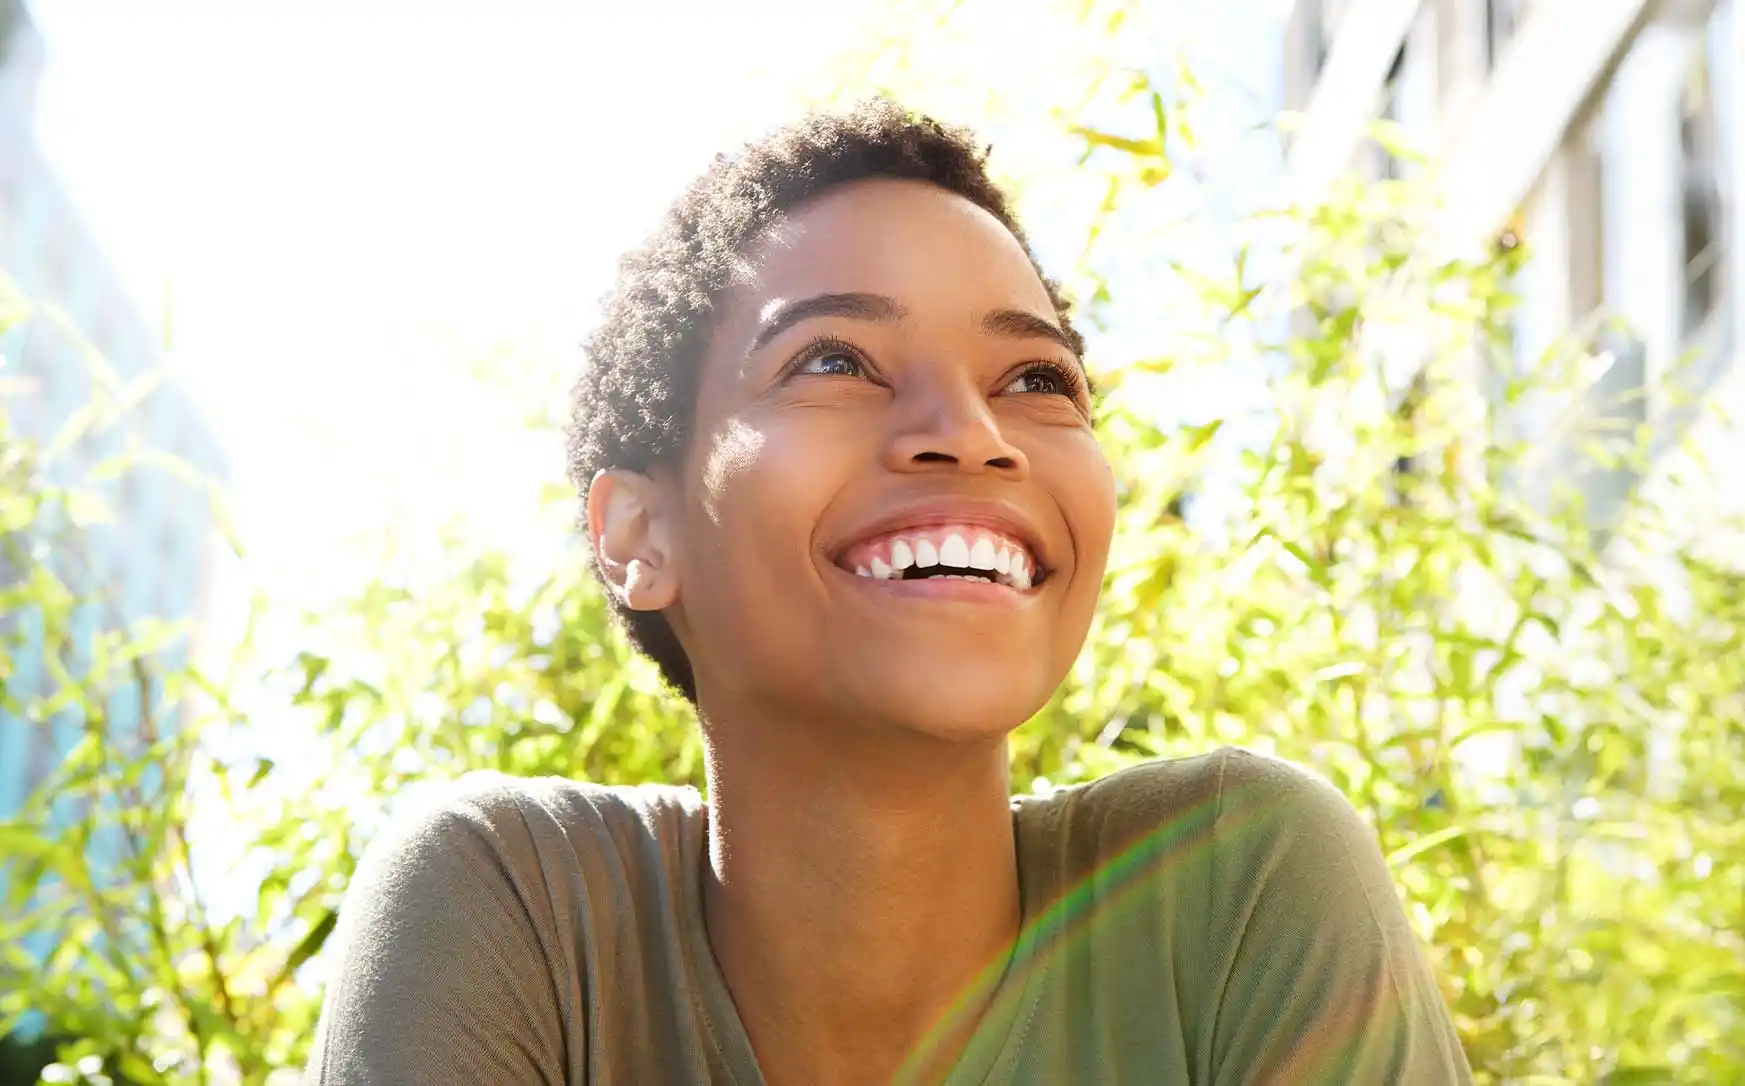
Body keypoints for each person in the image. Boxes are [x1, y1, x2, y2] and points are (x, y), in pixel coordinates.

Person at [307, 99, 1474, 1085]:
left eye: (1034, 379)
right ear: (637, 534)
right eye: (832, 361)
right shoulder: (513, 912)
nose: (970, 433)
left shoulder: (1233, 884)